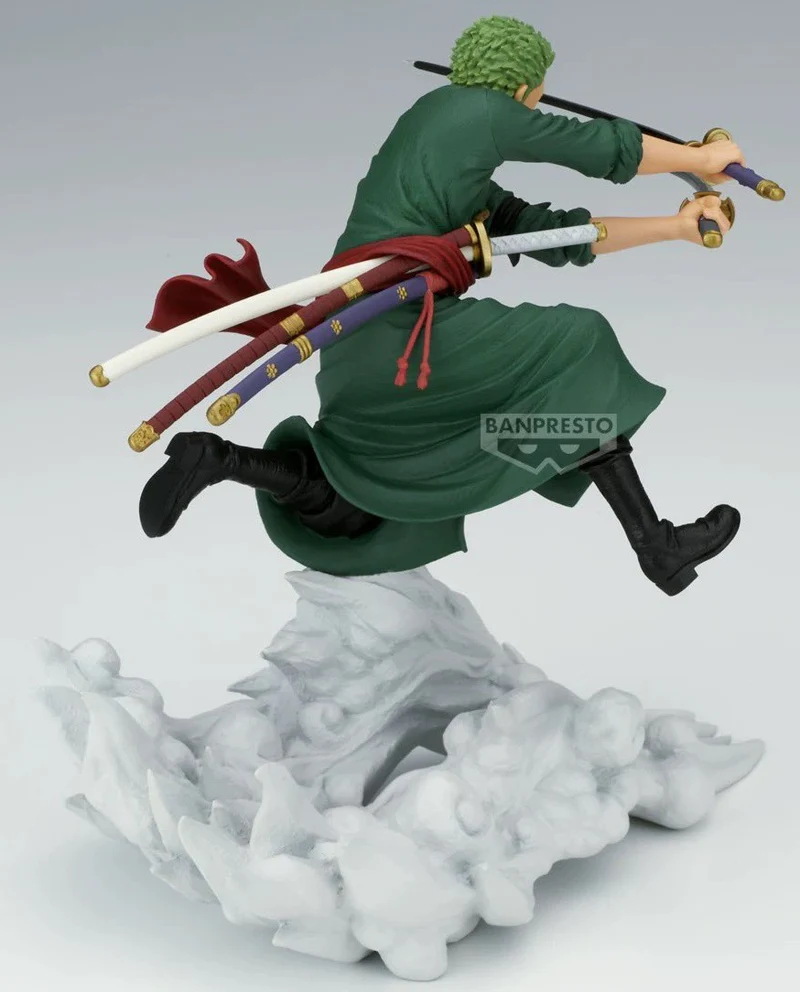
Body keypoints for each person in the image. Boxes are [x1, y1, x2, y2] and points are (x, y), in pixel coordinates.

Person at [139, 14, 745, 597]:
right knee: (580, 343)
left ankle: (217, 458)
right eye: (535, 96)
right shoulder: (478, 110)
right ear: (523, 88)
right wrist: (699, 159)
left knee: (390, 473)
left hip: (360, 340)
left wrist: (675, 227)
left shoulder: (452, 157)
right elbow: (598, 147)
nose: (533, 107)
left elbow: (556, 234)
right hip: (397, 326)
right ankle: (653, 544)